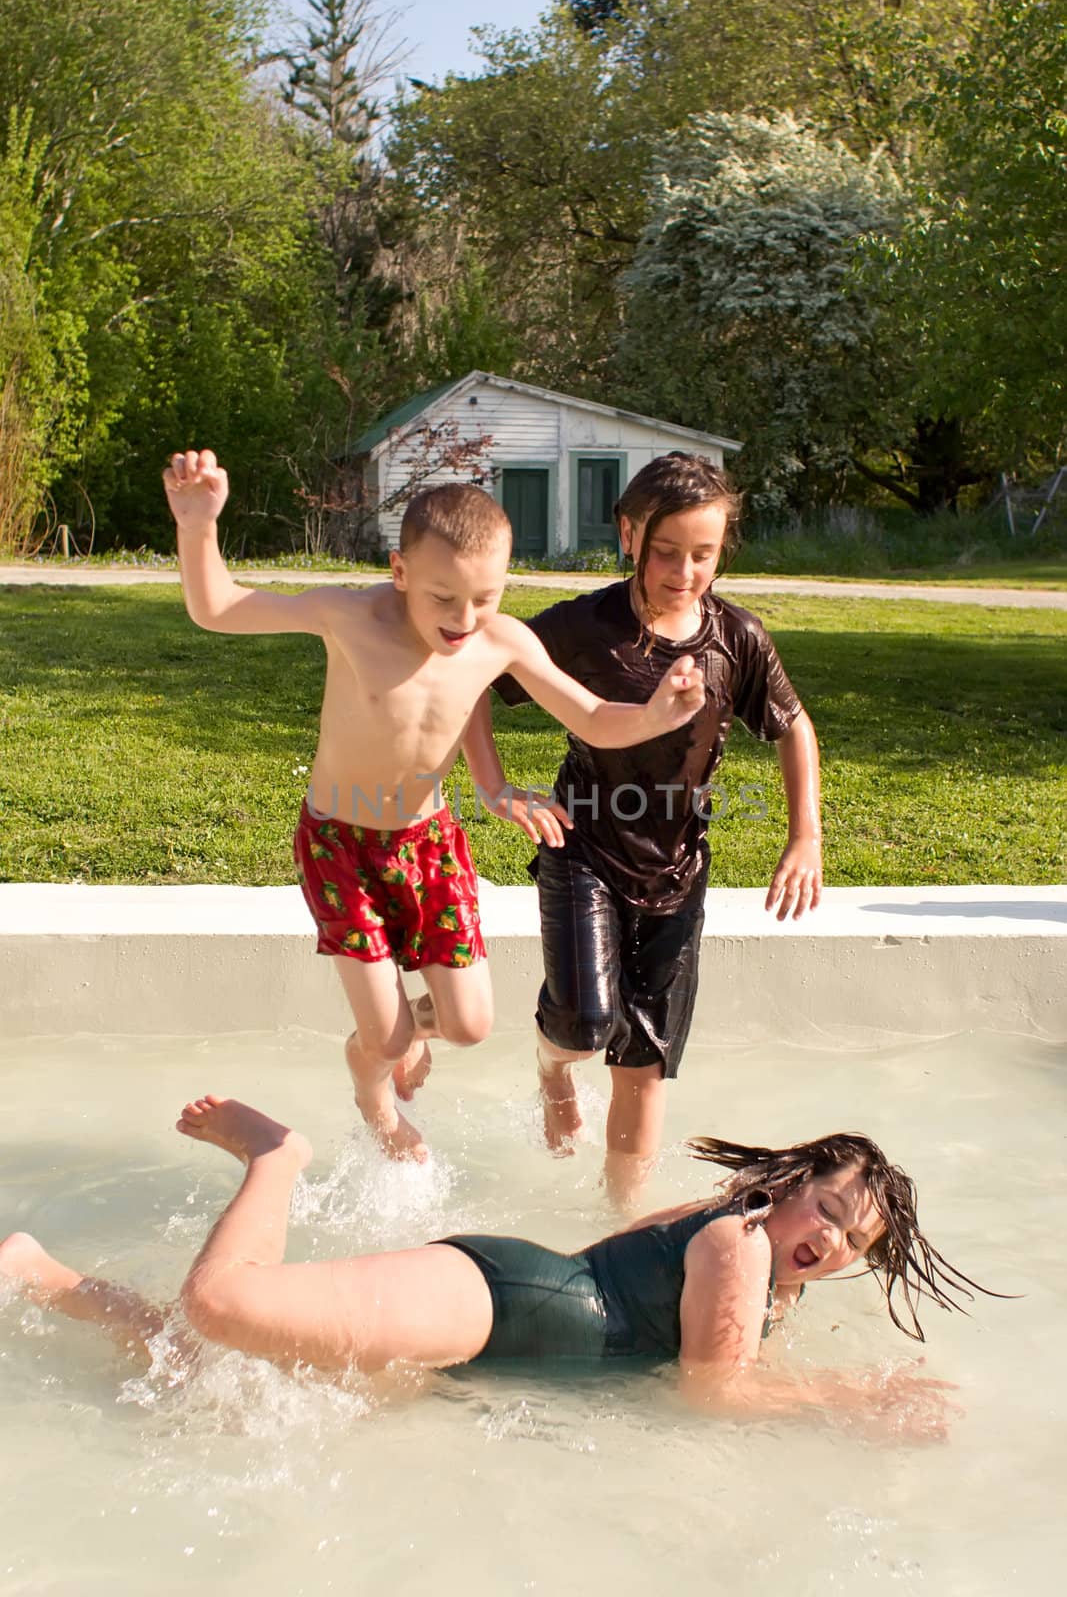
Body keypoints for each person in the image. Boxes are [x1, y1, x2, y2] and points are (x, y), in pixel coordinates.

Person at [163, 451, 705, 1162]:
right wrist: (197, 524)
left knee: (470, 1024)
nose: (463, 617)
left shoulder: (500, 640)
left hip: (427, 843)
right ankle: (376, 1100)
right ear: (399, 572)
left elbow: (595, 715)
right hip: (340, 845)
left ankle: (400, 1034)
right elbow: (217, 608)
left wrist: (657, 714)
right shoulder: (348, 615)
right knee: (383, 1042)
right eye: (442, 597)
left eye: (484, 597)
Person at [0, 1097, 989, 1439]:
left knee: (212, 1365)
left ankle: (41, 1274)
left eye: (853, 1245)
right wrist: (843, 1400)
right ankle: (278, 1157)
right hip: (498, 1305)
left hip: (502, 1321)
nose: (831, 1243)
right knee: (223, 1307)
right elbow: (712, 1396)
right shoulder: (738, 1245)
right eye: (831, 1212)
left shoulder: (740, 1238)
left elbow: (626, 1260)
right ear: (795, 1182)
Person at [465, 452, 823, 1206]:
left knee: (644, 1058)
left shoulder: (736, 638)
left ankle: (619, 1217)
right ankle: (549, 1066)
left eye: (703, 553)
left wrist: (804, 836)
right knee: (584, 1025)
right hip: (583, 846)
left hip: (676, 871)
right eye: (666, 551)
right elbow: (475, 679)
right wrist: (494, 785)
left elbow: (792, 726)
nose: (685, 570)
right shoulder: (582, 627)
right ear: (628, 535)